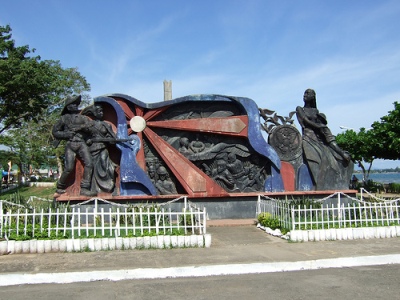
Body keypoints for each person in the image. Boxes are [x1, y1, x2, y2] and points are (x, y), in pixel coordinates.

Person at [296, 89, 353, 190]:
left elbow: (322, 127)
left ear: (313, 97)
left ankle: (340, 157)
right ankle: (319, 185)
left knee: (333, 159)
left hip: (320, 139)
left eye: (308, 93)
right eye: (305, 93)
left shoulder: (316, 112)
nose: (305, 95)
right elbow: (305, 121)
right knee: (319, 158)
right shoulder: (300, 109)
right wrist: (318, 127)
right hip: (308, 137)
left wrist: (320, 127)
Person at [52, 95, 95, 196]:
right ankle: (60, 186)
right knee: (69, 168)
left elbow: (91, 129)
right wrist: (66, 134)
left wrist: (83, 129)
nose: (75, 106)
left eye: (76, 104)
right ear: (68, 107)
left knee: (89, 164)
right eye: (73, 104)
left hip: (81, 143)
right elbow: (55, 132)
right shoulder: (63, 119)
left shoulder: (83, 118)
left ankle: (84, 188)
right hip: (70, 144)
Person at [81, 104, 117, 194]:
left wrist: (111, 140)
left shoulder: (106, 125)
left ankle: (109, 186)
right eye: (99, 111)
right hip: (93, 149)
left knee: (106, 165)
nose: (101, 113)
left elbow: (112, 137)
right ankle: (93, 188)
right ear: (94, 113)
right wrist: (88, 140)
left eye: (102, 111)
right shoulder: (90, 125)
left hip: (103, 147)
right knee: (92, 167)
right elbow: (83, 136)